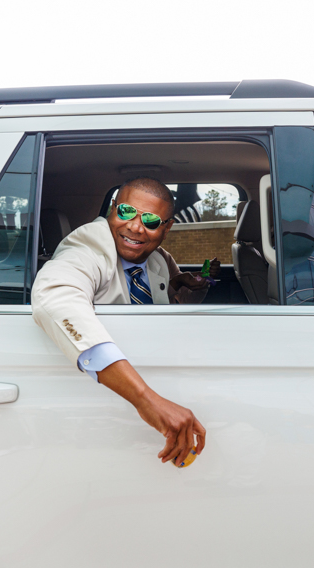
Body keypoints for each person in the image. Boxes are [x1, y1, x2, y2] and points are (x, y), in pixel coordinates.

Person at [32, 176, 212, 467]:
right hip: (95, 418)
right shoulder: (88, 248)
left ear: (167, 228)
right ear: (112, 209)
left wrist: (182, 284)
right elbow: (56, 298)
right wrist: (146, 400)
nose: (135, 226)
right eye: (126, 212)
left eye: (151, 220)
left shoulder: (158, 260)